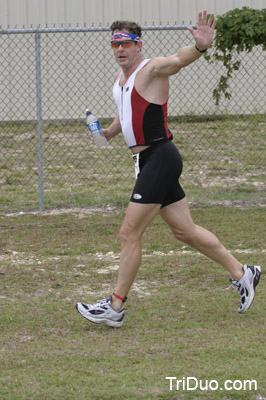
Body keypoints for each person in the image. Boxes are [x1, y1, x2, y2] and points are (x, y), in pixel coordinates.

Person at [76, 10, 261, 327]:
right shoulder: (121, 81)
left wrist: (200, 47)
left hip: (160, 156)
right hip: (147, 161)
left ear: (139, 45)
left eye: (126, 43)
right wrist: (108, 132)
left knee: (129, 232)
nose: (120, 49)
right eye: (115, 43)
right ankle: (244, 273)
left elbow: (177, 60)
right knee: (184, 231)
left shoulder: (151, 69)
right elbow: (126, 113)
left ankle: (115, 307)